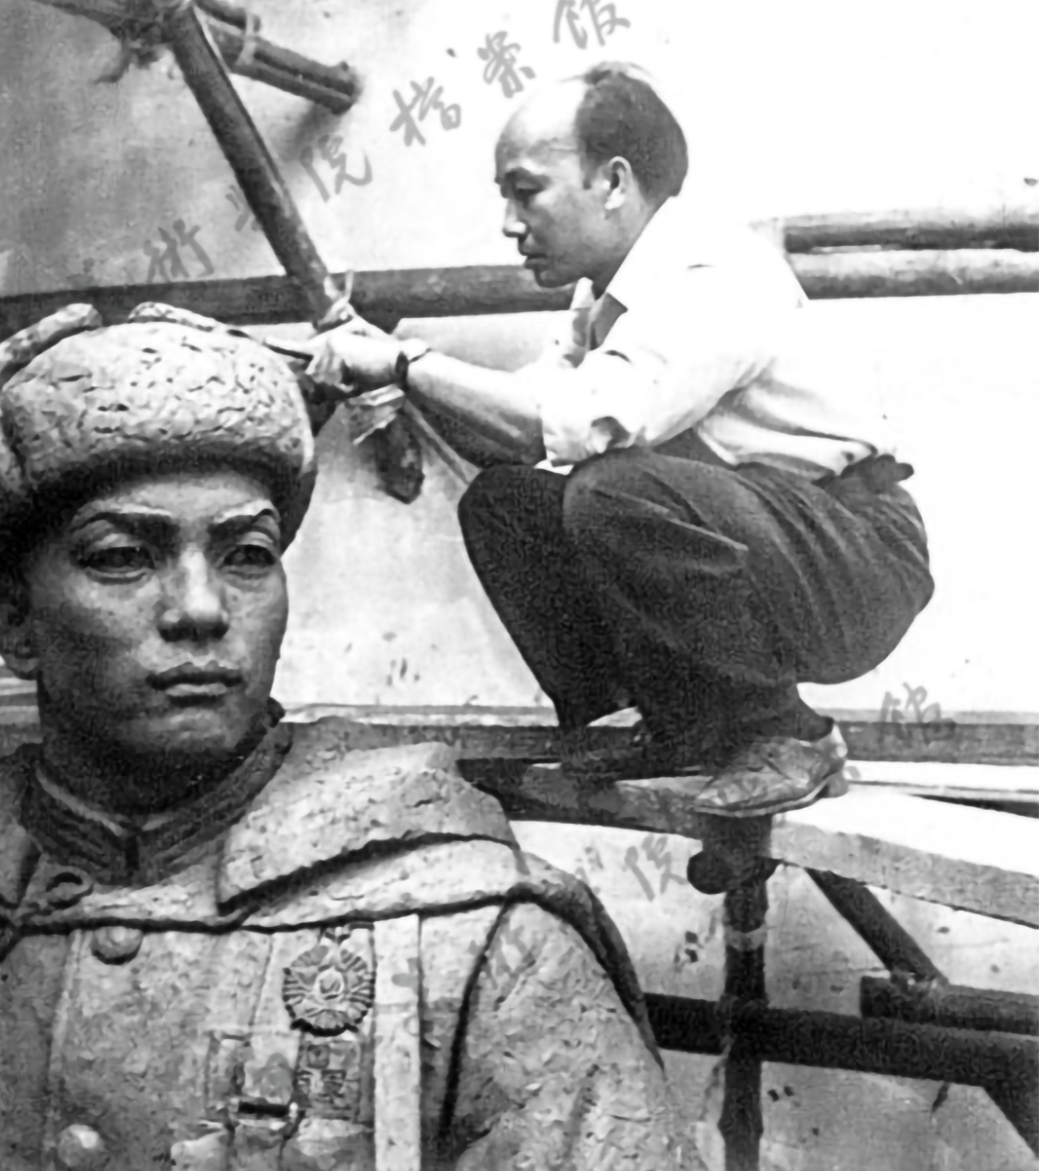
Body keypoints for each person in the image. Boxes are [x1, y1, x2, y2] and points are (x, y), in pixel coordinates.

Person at [0, 303, 707, 1171]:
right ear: (12, 618)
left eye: (247, 554)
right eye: (122, 556)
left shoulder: (470, 939)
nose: (201, 610)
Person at [295, 61, 935, 820]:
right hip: (773, 537)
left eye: (526, 191)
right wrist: (392, 371)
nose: (510, 224)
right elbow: (520, 435)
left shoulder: (711, 272)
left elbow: (570, 423)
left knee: (612, 490)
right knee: (507, 502)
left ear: (613, 182)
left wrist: (406, 361)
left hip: (857, 556)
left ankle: (788, 735)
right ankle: (665, 723)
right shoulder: (602, 296)